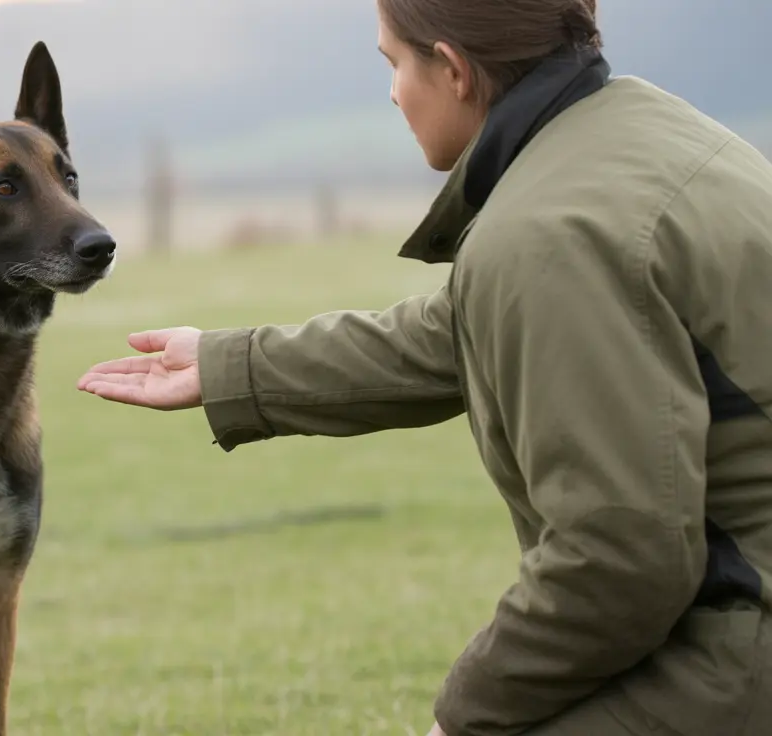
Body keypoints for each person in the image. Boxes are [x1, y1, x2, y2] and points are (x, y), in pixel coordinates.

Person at [77, 0, 772, 734]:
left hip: (739, 650)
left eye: (394, 63)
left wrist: (464, 716)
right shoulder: (653, 134)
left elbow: (620, 559)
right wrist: (230, 365)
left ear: (452, 69)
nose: (392, 92)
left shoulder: (548, 234)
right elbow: (453, 333)